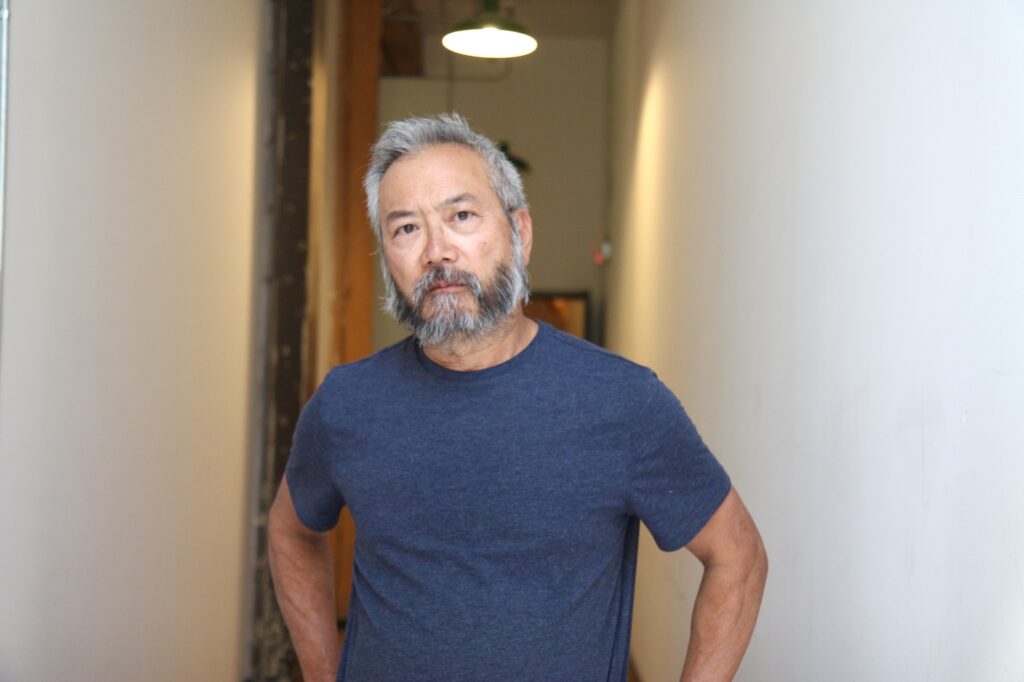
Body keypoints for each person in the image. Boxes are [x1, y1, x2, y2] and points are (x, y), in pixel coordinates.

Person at [268, 113, 767, 682]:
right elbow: (290, 531)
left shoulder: (622, 403)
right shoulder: (346, 405)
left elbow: (738, 557)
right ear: (388, 260)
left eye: (461, 216)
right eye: (405, 228)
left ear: (520, 234)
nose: (436, 251)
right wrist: (319, 671)